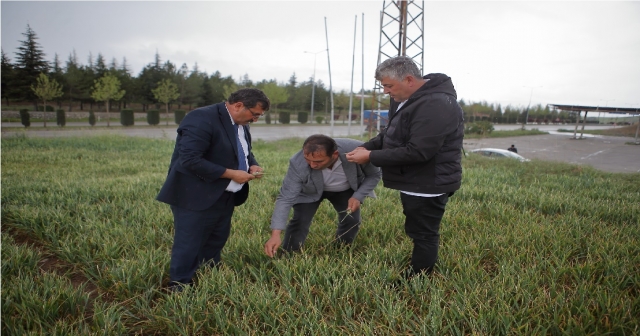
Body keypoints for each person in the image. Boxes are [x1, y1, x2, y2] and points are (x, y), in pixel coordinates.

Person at [346, 56, 464, 278]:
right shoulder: (405, 99)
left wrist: (371, 156)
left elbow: (419, 151)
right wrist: (365, 147)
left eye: (389, 86)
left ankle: (419, 277)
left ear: (409, 79)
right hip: (414, 180)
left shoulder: (437, 104)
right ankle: (419, 269)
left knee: (424, 233)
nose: (386, 92)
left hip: (429, 181)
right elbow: (390, 134)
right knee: (416, 227)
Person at [157, 88, 270, 290]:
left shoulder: (241, 124)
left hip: (225, 193)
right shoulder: (201, 118)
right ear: (238, 106)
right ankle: (179, 284)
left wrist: (252, 164)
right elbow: (189, 160)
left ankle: (208, 274)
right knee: (189, 241)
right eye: (255, 114)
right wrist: (231, 173)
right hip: (194, 193)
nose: (255, 120)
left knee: (217, 237)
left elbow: (244, 151)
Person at [264, 134, 381, 257]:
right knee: (300, 220)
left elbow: (374, 175)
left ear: (334, 155)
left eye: (318, 161)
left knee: (352, 219)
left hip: (344, 190)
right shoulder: (297, 162)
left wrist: (358, 196)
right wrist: (275, 234)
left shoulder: (357, 151)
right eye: (308, 160)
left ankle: (341, 249)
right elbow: (285, 198)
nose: (312, 165)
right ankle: (289, 254)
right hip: (310, 191)